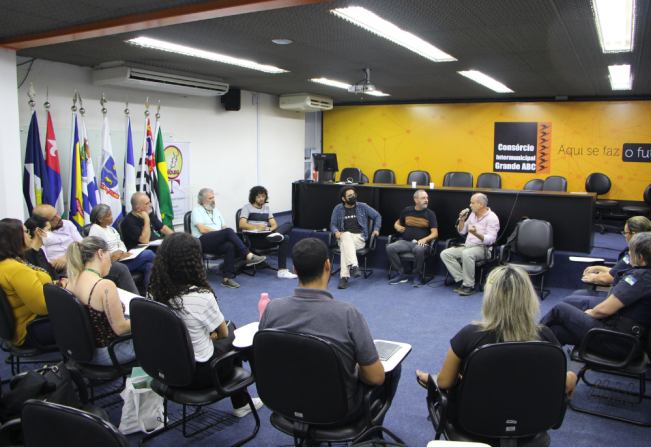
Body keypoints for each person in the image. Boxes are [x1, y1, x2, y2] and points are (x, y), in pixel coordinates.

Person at [260, 238, 400, 425]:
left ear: (294, 269)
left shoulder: (271, 308)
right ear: (328, 265)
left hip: (284, 405)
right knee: (392, 369)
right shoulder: (347, 314)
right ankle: (369, 438)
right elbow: (375, 377)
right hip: (337, 412)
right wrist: (354, 367)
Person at [416, 265, 578, 424]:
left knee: (454, 380)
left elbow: (444, 383)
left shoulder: (470, 335)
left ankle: (447, 379)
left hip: (474, 421)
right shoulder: (545, 336)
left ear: (490, 299)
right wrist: (572, 377)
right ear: (529, 297)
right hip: (529, 422)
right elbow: (560, 384)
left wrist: (460, 378)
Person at [148, 232, 263, 418]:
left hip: (164, 368)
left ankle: (241, 401)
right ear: (194, 260)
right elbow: (223, 333)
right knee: (232, 330)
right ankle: (241, 403)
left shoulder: (153, 290)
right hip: (198, 375)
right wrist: (215, 333)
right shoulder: (200, 296)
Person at [541, 232, 651, 360]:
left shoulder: (639, 279)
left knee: (559, 309)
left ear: (641, 257)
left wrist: (590, 313)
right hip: (628, 341)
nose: (629, 254)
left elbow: (604, 310)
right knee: (555, 331)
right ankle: (543, 360)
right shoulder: (646, 276)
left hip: (619, 341)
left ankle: (526, 343)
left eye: (631, 251)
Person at [32, 204, 139, 295]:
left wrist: (67, 257)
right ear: (42, 224)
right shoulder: (42, 236)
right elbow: (46, 263)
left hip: (80, 260)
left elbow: (83, 245)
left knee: (120, 268)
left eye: (57, 213)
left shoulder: (67, 224)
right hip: (64, 271)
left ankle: (138, 306)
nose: (59, 217)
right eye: (53, 218)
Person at [65, 237, 136, 366]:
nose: (111, 262)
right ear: (100, 253)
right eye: (109, 255)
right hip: (110, 352)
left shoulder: (71, 282)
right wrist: (147, 319)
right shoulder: (104, 286)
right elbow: (120, 329)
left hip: (85, 350)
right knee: (159, 331)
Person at [191, 188, 265, 289]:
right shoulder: (197, 211)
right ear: (203, 200)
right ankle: (248, 255)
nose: (213, 200)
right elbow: (202, 229)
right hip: (202, 241)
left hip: (216, 241)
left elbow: (223, 227)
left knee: (229, 246)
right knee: (229, 231)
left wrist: (224, 235)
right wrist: (221, 234)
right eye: (210, 198)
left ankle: (226, 278)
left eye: (213, 197)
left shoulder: (216, 211)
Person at [0, 220, 54, 347]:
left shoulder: (6, 264)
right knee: (87, 321)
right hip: (30, 329)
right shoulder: (16, 269)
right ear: (14, 237)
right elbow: (43, 307)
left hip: (21, 328)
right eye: (25, 232)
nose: (30, 235)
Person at [440, 193, 500, 296]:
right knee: (445, 253)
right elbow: (462, 231)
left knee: (467, 253)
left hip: (483, 249)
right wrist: (462, 220)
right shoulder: (472, 215)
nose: (470, 205)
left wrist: (477, 234)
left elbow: (490, 240)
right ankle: (462, 280)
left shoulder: (492, 218)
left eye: (472, 203)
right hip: (467, 246)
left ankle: (469, 286)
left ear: (481, 204)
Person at [89, 204, 156, 288]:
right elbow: (96, 250)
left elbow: (121, 243)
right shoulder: (95, 229)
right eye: (108, 216)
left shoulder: (111, 229)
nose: (112, 218)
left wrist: (121, 252)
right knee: (149, 253)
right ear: (100, 219)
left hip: (122, 258)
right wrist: (113, 254)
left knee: (149, 266)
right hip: (112, 263)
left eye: (111, 215)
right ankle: (168, 269)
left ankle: (149, 293)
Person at [238, 186, 297, 279]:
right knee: (284, 237)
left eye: (263, 196)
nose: (262, 199)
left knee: (290, 225)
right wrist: (256, 227)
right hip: (254, 238)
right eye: (259, 197)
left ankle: (281, 270)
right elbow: (241, 224)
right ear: (253, 197)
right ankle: (276, 235)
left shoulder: (266, 208)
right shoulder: (247, 208)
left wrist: (270, 229)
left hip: (266, 235)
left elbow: (274, 224)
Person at [329, 186, 382, 289]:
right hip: (343, 238)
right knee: (346, 236)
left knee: (346, 242)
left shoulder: (362, 206)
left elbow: (377, 216)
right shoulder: (338, 208)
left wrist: (376, 229)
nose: (353, 197)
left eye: (354, 195)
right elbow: (332, 224)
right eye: (350, 196)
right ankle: (354, 265)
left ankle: (344, 277)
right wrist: (335, 231)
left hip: (359, 238)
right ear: (343, 198)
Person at [579, 216, 651, 290]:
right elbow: (621, 270)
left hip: (625, 294)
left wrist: (594, 277)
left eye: (625, 233)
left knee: (575, 297)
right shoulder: (646, 250)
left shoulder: (634, 254)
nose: (625, 236)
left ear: (633, 234)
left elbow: (606, 279)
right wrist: (599, 268)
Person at [386, 189, 438, 287]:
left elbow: (435, 233)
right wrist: (396, 226)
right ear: (416, 200)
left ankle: (417, 275)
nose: (426, 200)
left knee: (419, 250)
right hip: (406, 241)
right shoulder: (407, 210)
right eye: (423, 198)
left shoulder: (430, 214)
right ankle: (400, 274)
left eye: (427, 198)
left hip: (421, 243)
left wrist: (424, 239)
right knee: (390, 247)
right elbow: (397, 222)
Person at [23, 215, 66, 287]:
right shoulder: (27, 254)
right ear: (38, 231)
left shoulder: (40, 251)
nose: (51, 233)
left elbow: (51, 272)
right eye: (49, 230)